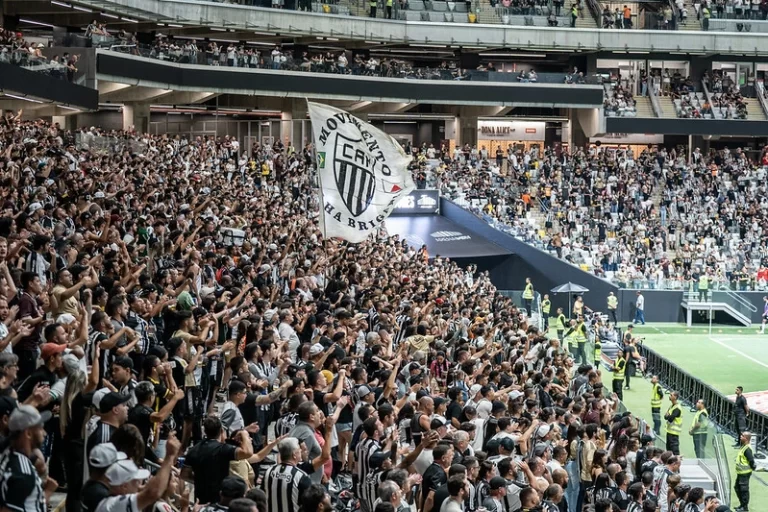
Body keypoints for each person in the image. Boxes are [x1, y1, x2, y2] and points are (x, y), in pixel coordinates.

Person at [96, 433, 181, 512]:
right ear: (124, 486)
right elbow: (153, 493)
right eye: (136, 481)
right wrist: (169, 456)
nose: (140, 485)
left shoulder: (112, 501)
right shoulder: (114, 506)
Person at [182, 416, 254, 505]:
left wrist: (199, 480)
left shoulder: (193, 450)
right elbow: (248, 453)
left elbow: (184, 475)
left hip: (200, 500)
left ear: (205, 431)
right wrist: (244, 434)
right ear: (221, 431)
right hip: (219, 500)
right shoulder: (223, 449)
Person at [0, 405, 58, 510]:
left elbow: (29, 504)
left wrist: (48, 492)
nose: (44, 433)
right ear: (28, 433)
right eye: (40, 428)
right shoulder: (22, 472)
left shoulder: (9, 455)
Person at [262, 437, 312, 512]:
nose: (301, 450)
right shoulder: (301, 476)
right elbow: (308, 506)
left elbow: (262, 497)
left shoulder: (268, 471)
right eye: (299, 449)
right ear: (294, 454)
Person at [734, 431, 755, 512]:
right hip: (740, 472)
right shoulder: (743, 446)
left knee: (744, 490)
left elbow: (751, 460)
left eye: (742, 436)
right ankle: (742, 505)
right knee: (737, 488)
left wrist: (752, 467)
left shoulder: (747, 449)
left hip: (744, 473)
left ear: (746, 438)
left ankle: (745, 508)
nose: (740, 437)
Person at [664, 391, 682, 455]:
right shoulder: (671, 406)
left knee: (674, 450)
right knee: (668, 449)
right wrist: (668, 416)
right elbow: (665, 417)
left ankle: (677, 462)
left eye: (671, 395)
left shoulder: (677, 408)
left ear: (675, 397)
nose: (669, 396)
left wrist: (668, 415)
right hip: (669, 431)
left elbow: (671, 419)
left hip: (674, 433)